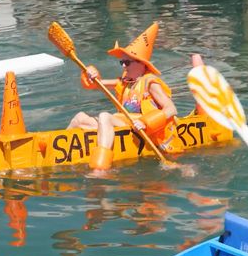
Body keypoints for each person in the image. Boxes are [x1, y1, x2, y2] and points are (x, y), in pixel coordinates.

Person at [68, 22, 178, 170]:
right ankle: (59, 151)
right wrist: (90, 74)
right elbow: (95, 84)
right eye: (122, 62)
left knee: (105, 116)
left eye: (127, 62)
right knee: (80, 117)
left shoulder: (150, 83)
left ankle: (101, 167)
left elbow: (171, 109)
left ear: (141, 64)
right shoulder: (124, 82)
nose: (123, 66)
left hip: (143, 129)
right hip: (125, 124)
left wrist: (147, 122)